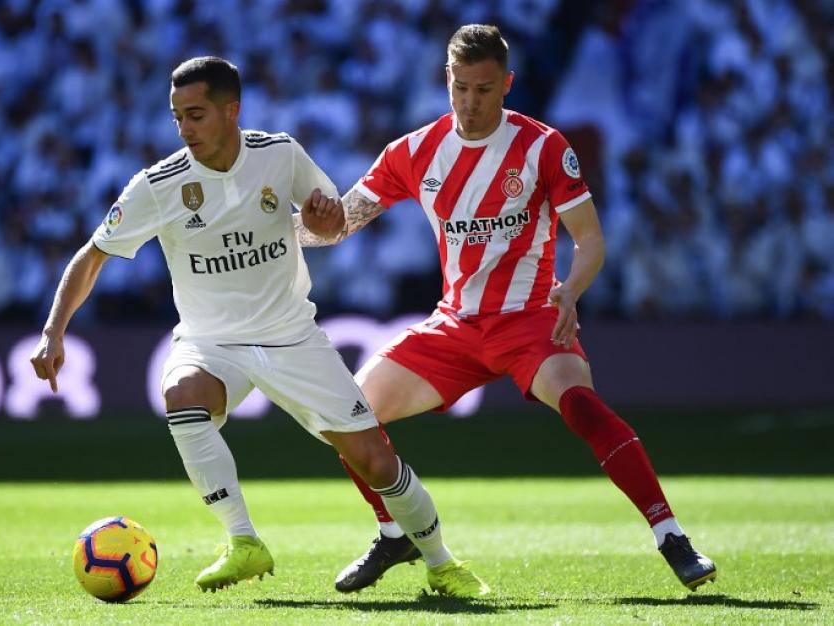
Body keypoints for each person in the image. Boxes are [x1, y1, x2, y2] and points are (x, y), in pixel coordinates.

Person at [29, 56, 488, 597]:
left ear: (232, 111)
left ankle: (440, 562)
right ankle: (243, 540)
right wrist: (53, 331)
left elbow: (333, 222)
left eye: (196, 115)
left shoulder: (280, 154)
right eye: (177, 117)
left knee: (376, 462)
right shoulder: (158, 184)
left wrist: (324, 222)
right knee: (182, 396)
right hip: (211, 342)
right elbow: (92, 256)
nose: (184, 129)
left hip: (292, 336)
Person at [296, 25, 717, 593]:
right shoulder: (414, 151)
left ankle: (671, 536)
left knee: (582, 406)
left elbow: (589, 240)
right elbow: (339, 225)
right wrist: (305, 227)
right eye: (460, 88)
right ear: (446, 80)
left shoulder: (543, 147)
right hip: (454, 325)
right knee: (345, 418)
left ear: (508, 84)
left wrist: (571, 291)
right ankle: (394, 532)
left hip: (530, 317)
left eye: (484, 90)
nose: (470, 103)